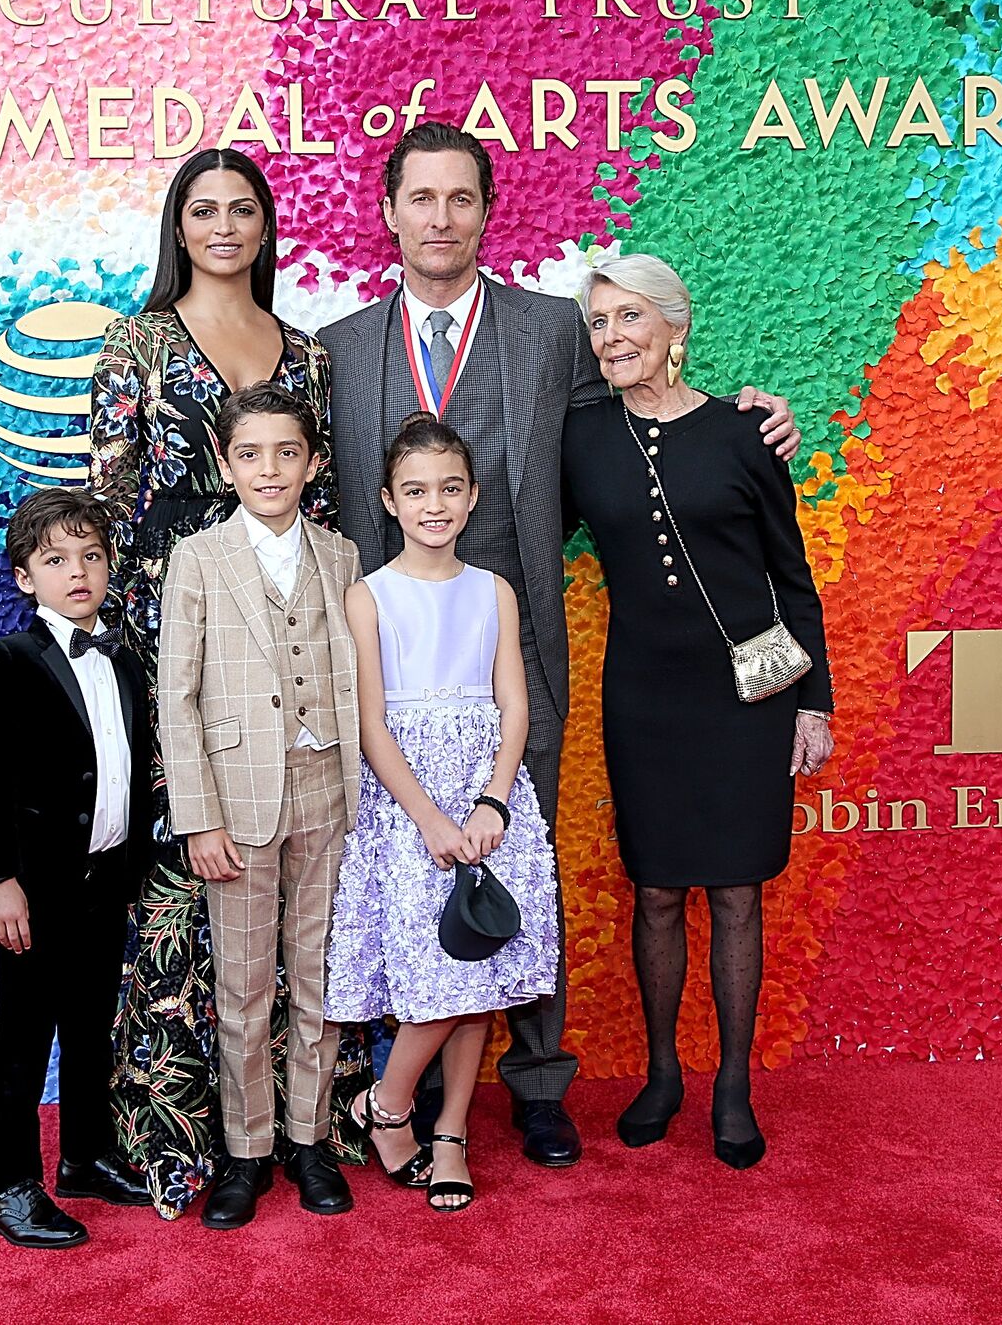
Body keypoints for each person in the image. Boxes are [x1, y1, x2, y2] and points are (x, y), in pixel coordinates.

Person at [317, 121, 801, 1165]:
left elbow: (645, 412)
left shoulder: (549, 333)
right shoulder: (341, 349)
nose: (439, 217)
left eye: (460, 198)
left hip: (515, 649)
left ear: (485, 212)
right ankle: (384, 1081)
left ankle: (536, 1085)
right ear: (388, 212)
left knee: (516, 861)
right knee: (398, 865)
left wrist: (750, 417)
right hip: (389, 658)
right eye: (420, 198)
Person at [91, 148, 368, 1217]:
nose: (221, 226)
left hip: (293, 659)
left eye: (240, 209)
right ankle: (195, 1134)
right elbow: (111, 504)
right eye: (201, 209)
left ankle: (310, 1132)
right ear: (178, 224)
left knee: (311, 936)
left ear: (264, 226)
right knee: (198, 913)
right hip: (181, 650)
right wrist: (142, 663)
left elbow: (329, 497)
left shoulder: (302, 350)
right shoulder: (137, 343)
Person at [564, 252, 834, 1169]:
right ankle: (663, 1072)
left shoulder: (747, 433)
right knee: (655, 892)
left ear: (675, 327)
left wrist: (816, 704)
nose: (613, 338)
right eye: (599, 323)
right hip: (644, 698)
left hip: (747, 699)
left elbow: (793, 578)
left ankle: (732, 1085)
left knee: (736, 892)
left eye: (629, 317)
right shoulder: (581, 437)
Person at [328, 414, 562, 1213]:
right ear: (389, 501)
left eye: (450, 489)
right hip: (406, 807)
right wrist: (430, 817)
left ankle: (452, 1130)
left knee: (483, 965)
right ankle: (388, 1107)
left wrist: (494, 798)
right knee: (440, 977)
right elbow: (369, 725)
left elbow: (514, 705)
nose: (435, 504)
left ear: (472, 499)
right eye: (417, 490)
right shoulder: (367, 596)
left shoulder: (492, 589)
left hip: (490, 802)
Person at [157, 383, 365, 1229]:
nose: (270, 468)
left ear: (313, 462)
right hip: (237, 805)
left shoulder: (343, 555)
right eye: (250, 454)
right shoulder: (199, 560)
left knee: (316, 975)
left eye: (287, 452)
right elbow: (177, 696)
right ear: (224, 464)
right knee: (244, 987)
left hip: (327, 789)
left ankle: (309, 1141)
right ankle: (245, 1151)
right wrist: (197, 815)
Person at [0, 488, 155, 1248]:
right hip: (34, 886)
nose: (77, 572)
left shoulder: (125, 656)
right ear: (25, 577)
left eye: (91, 557)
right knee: (22, 1035)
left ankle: (86, 1154)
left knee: (89, 1028)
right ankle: (7, 1185)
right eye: (56, 560)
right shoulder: (10, 660)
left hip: (106, 875)